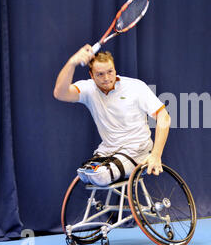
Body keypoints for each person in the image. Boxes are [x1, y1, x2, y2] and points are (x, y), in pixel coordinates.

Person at [53, 44, 170, 186]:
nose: (107, 78)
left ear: (115, 70)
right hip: (108, 150)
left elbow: (164, 117)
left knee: (100, 176)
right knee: (84, 174)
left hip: (137, 149)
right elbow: (60, 93)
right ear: (91, 75)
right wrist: (72, 62)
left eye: (110, 71)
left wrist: (156, 155)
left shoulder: (136, 87)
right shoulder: (89, 89)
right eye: (100, 74)